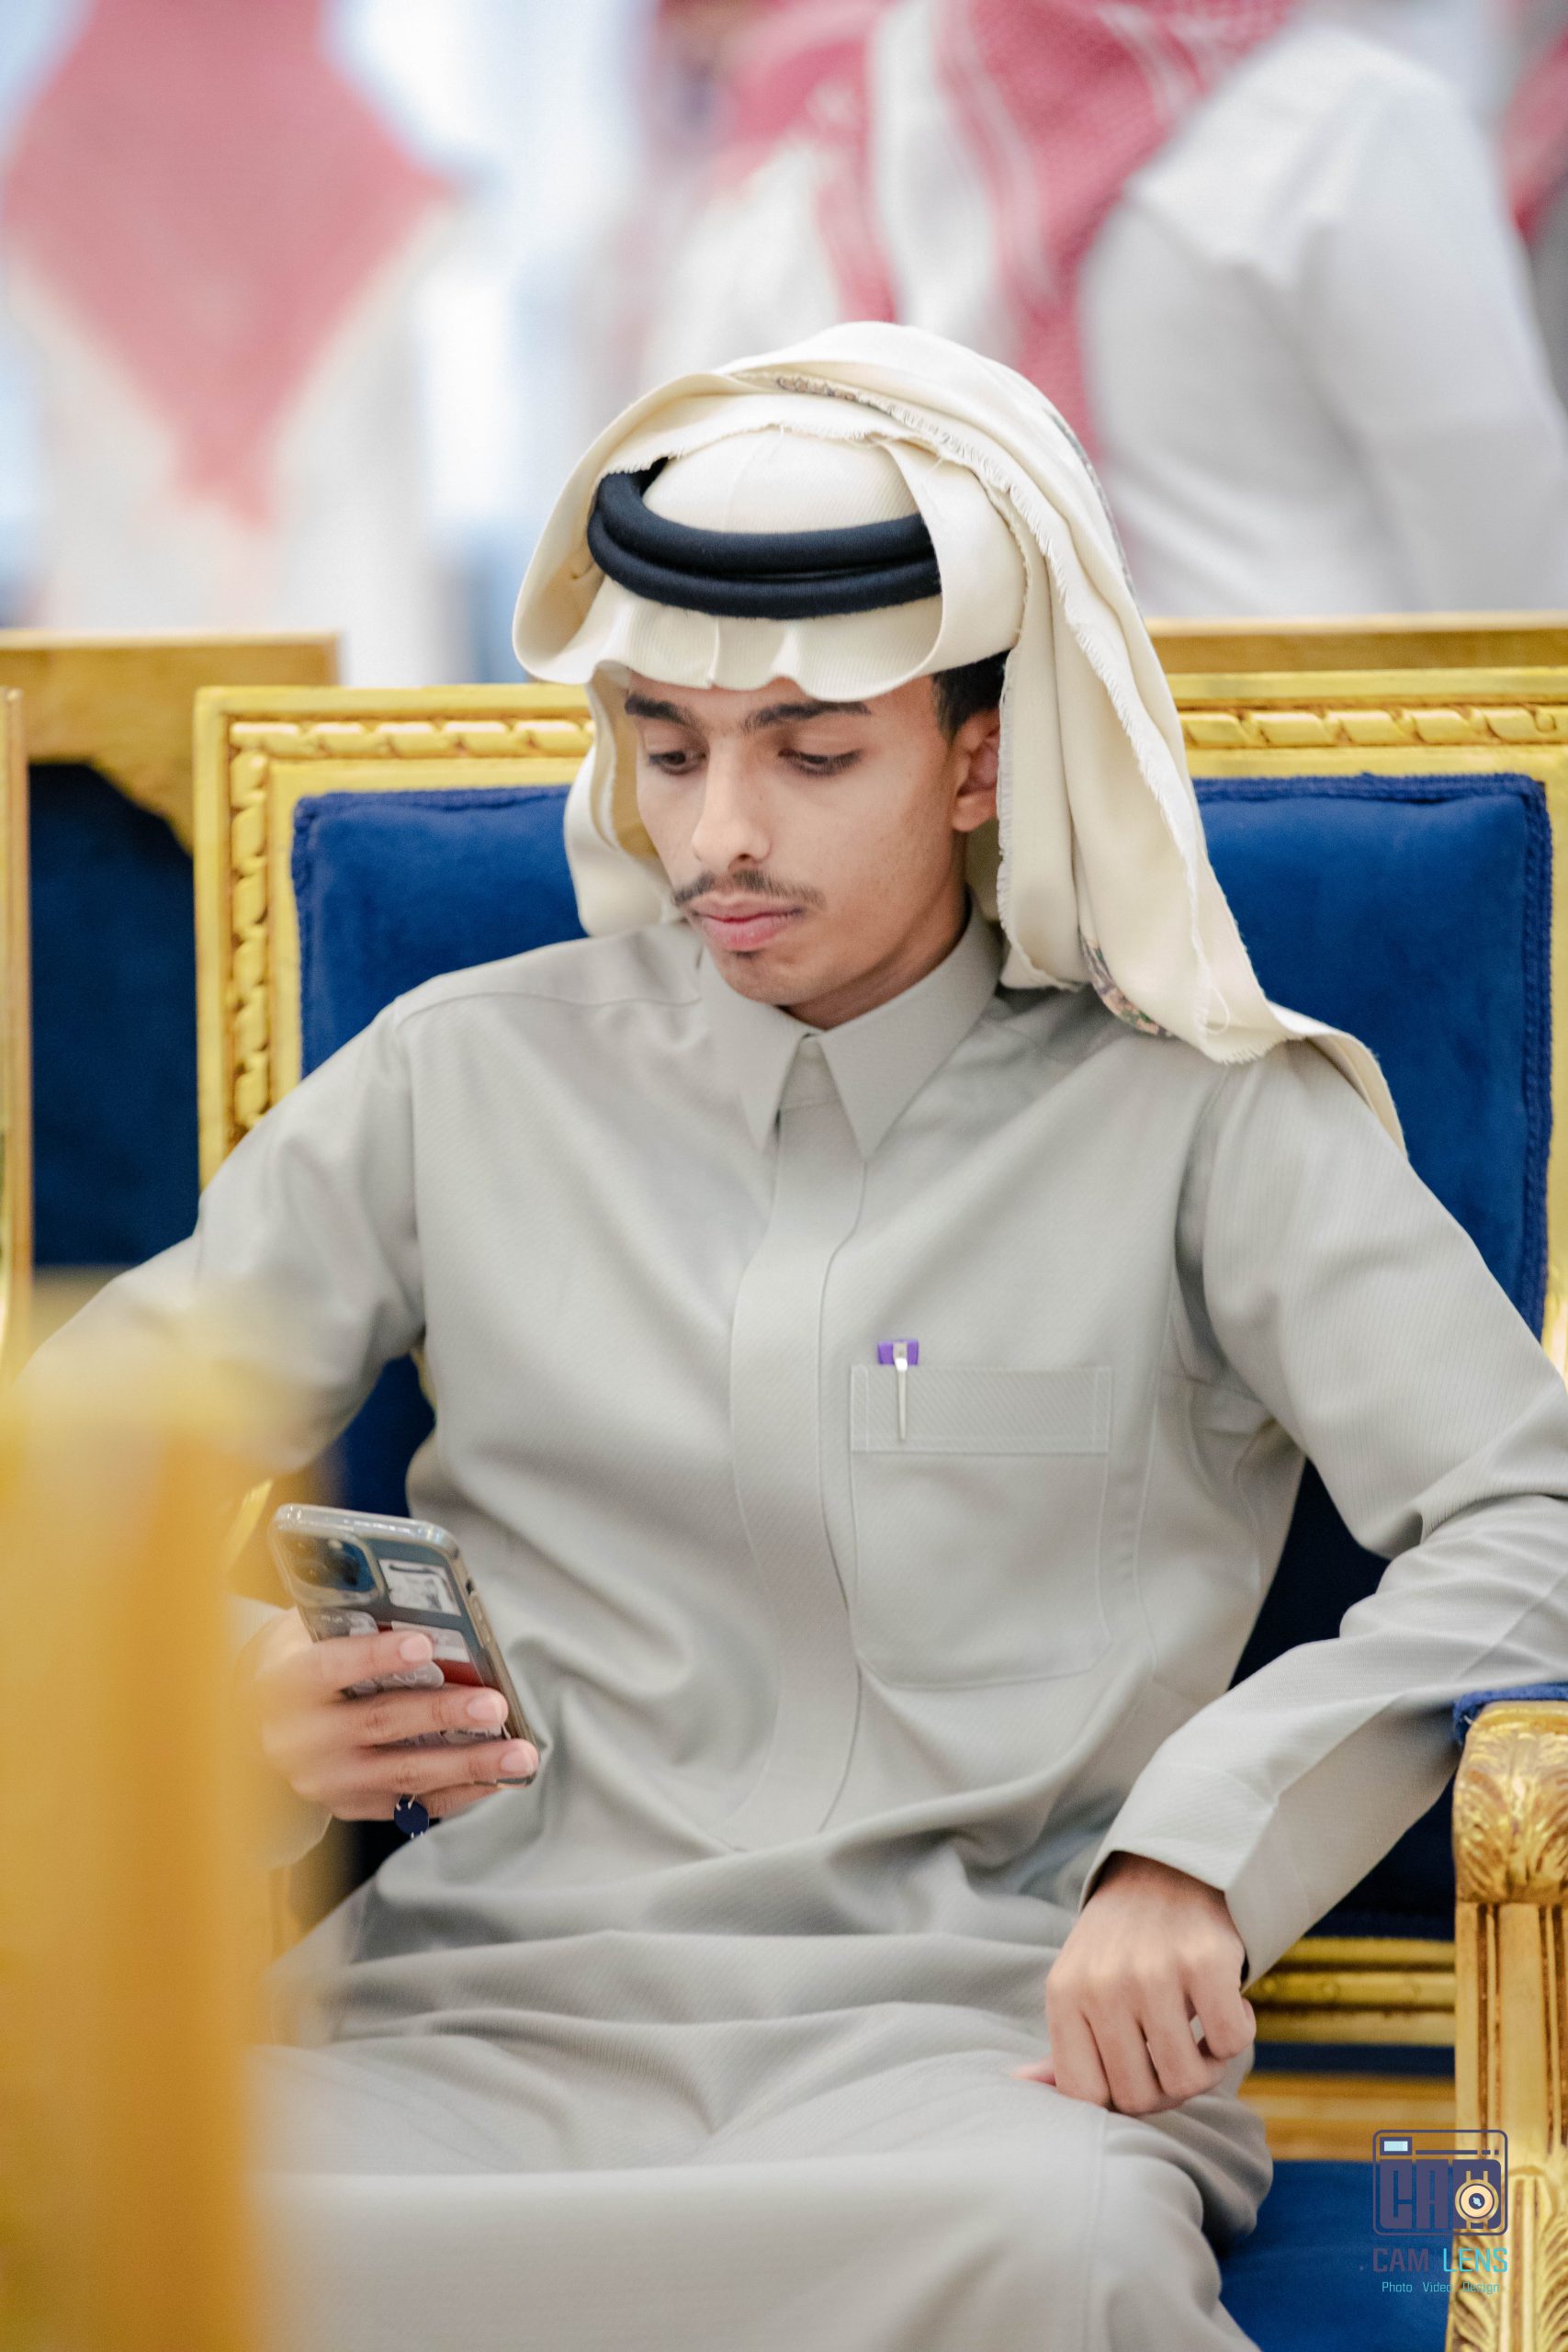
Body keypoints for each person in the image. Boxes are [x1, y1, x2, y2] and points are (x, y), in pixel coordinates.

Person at [35, 324, 1568, 2352]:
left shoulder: (1207, 1119)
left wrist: (1200, 1853)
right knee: (121, 2235)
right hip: (454, 2027)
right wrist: (241, 1691)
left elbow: (1529, 1508)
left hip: (971, 2050)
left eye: (808, 755)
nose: (716, 840)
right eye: (667, 748)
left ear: (978, 757)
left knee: (1056, 2255)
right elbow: (64, 1469)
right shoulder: (450, 1078)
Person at [648, 0, 1568, 616]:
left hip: (1021, 793)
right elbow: (1514, 572)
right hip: (1338, 784)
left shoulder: (882, 141)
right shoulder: (1349, 123)